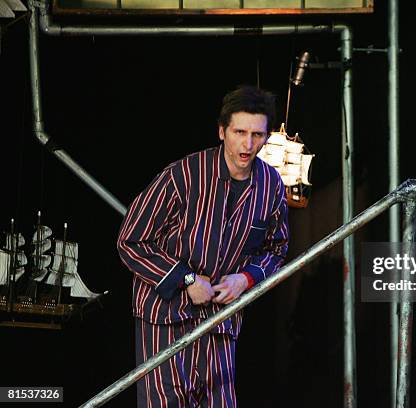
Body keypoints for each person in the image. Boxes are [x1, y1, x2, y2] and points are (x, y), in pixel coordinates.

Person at [117, 86, 289, 408]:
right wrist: (186, 279)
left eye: (257, 134)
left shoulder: (271, 185)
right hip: (165, 318)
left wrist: (247, 279)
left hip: (221, 320)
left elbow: (276, 248)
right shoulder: (182, 176)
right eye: (240, 132)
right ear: (222, 131)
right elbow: (131, 241)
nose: (248, 144)